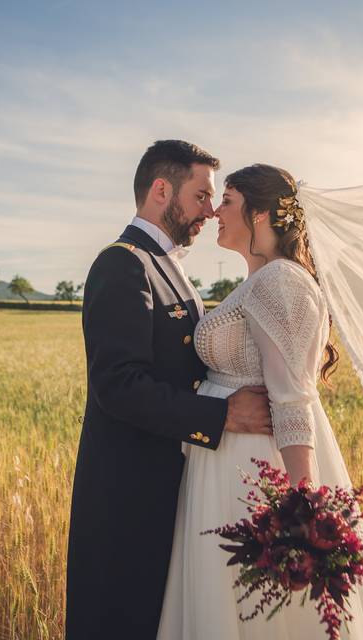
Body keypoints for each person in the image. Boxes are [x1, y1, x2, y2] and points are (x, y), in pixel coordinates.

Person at [157, 164, 363, 639]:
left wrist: (302, 505)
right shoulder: (259, 281)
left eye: (227, 201)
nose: (216, 212)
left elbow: (290, 401)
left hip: (252, 467)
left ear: (260, 214)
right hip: (228, 460)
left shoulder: (280, 282)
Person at [65, 140, 274, 639]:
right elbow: (118, 385)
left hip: (169, 489)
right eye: (201, 195)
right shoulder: (123, 263)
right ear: (162, 190)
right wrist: (223, 416)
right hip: (127, 502)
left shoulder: (166, 265)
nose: (210, 209)